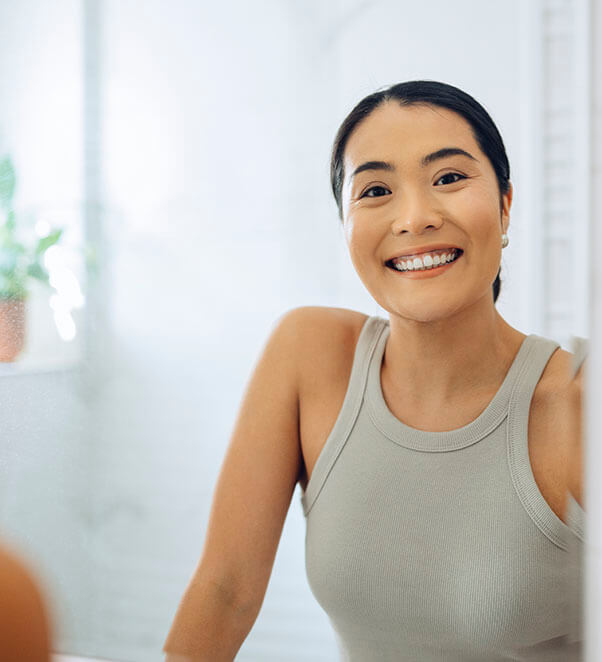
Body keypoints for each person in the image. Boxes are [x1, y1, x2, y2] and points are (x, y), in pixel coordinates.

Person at [163, 80, 585, 661]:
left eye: (449, 178)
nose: (415, 218)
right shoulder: (309, 355)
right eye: (376, 190)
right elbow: (226, 589)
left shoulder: (578, 403)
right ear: (345, 225)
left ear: (505, 204)